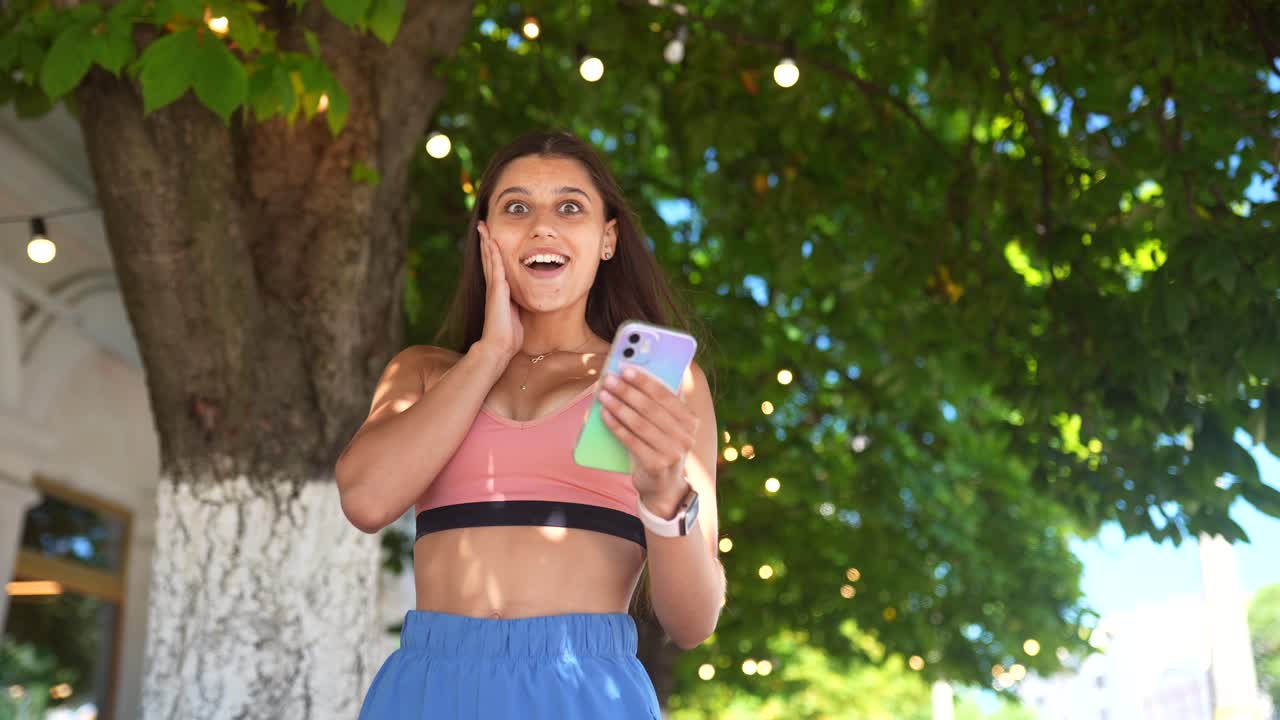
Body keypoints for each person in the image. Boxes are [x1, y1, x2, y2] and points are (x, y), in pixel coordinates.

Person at [335, 130, 725, 719]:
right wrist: (490, 352)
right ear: (485, 237)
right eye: (516, 207)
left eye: (571, 207)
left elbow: (693, 622)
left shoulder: (658, 381)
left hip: (586, 690)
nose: (543, 225)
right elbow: (365, 500)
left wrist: (665, 494)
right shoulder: (424, 372)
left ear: (608, 239)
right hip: (428, 687)